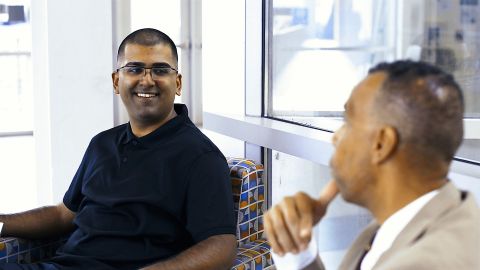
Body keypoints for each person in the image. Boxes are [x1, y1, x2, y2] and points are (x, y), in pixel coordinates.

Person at [0, 28, 236, 270]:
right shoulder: (101, 144)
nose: (147, 80)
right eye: (134, 69)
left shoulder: (201, 157)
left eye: (160, 70)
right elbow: (62, 215)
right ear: (116, 81)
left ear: (177, 83)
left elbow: (222, 245)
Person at [264, 60, 480, 270]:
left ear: (382, 143)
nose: (336, 138)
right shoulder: (412, 221)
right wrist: (298, 253)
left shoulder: (425, 262)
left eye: (348, 122)